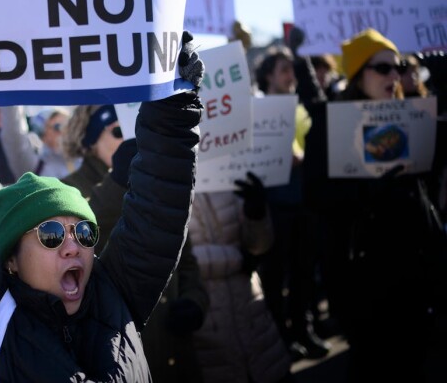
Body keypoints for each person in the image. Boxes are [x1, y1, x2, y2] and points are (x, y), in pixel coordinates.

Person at [0, 32, 204, 381]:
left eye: (84, 233)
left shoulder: (114, 297)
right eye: (51, 234)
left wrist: (174, 101)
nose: (73, 246)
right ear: (11, 259)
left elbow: (158, 211)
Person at [303, 28, 447, 382]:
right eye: (382, 68)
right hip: (363, 280)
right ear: (357, 74)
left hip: (414, 272)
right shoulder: (329, 127)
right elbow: (317, 198)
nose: (394, 75)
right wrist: (365, 194)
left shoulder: (414, 115)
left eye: (399, 67)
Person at [90, 138, 209, 383]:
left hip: (179, 354)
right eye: (116, 131)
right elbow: (86, 238)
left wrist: (195, 301)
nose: (125, 137)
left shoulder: (156, 181)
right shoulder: (72, 186)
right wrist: (116, 182)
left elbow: (185, 261)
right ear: (91, 140)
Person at [253, 45, 330, 359]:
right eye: (284, 69)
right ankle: (281, 338)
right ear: (268, 76)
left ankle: (303, 329)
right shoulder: (255, 110)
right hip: (273, 207)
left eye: (292, 69)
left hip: (303, 202)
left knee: (303, 272)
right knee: (274, 278)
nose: (291, 76)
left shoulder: (300, 107)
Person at [189, 172, 292, 383]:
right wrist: (237, 258)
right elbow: (175, 262)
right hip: (205, 330)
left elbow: (259, 247)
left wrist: (257, 215)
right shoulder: (160, 186)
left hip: (254, 317)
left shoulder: (227, 172)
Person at [59, 103, 124, 196]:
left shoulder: (140, 178)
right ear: (92, 141)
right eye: (118, 131)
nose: (128, 139)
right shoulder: (68, 190)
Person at [0, 106, 79, 180]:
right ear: (43, 135)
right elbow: (13, 134)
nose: (65, 132)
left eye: (69, 125)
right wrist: (12, 99)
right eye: (58, 127)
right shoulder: (36, 165)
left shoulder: (82, 158)